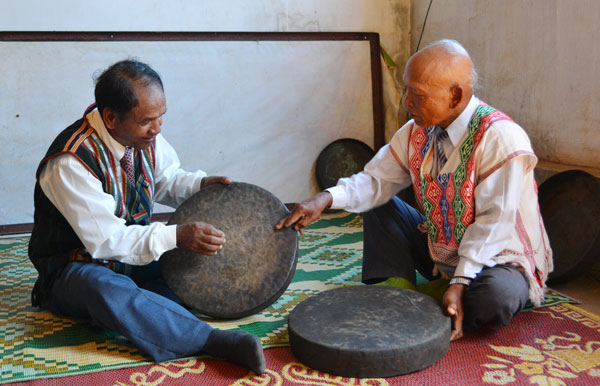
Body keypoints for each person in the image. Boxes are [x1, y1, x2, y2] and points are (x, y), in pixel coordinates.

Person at [276, 39, 553, 341]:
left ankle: (464, 290)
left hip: (500, 257)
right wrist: (325, 198)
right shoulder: (415, 132)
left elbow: (494, 223)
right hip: (442, 250)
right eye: (407, 89)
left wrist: (460, 281)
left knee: (490, 301)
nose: (407, 102)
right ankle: (399, 292)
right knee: (378, 203)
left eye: (418, 95)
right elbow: (374, 181)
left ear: (455, 95)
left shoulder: (500, 137)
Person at [28, 59, 265, 374]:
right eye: (148, 121)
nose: (157, 128)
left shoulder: (140, 134)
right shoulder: (70, 162)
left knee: (185, 257)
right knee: (107, 290)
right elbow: (107, 241)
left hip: (129, 258)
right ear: (111, 118)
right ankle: (211, 340)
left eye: (161, 117)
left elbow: (165, 178)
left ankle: (158, 313)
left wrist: (200, 184)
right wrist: (175, 235)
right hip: (75, 267)